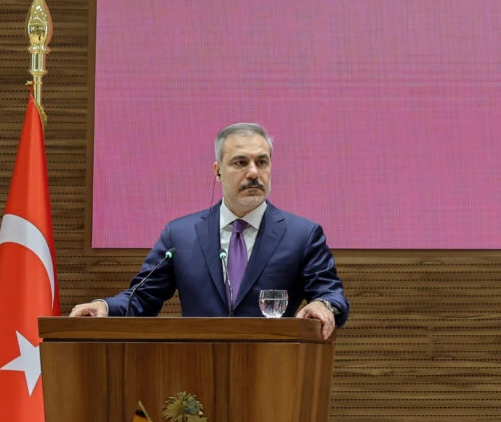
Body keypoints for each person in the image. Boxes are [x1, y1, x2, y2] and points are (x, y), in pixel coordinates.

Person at [70, 123, 348, 339]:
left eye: (261, 162)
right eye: (240, 162)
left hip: (274, 375)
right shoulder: (180, 235)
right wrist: (104, 307)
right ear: (217, 171)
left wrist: (324, 305)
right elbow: (142, 298)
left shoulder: (302, 235)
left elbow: (330, 292)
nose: (253, 172)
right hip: (196, 376)